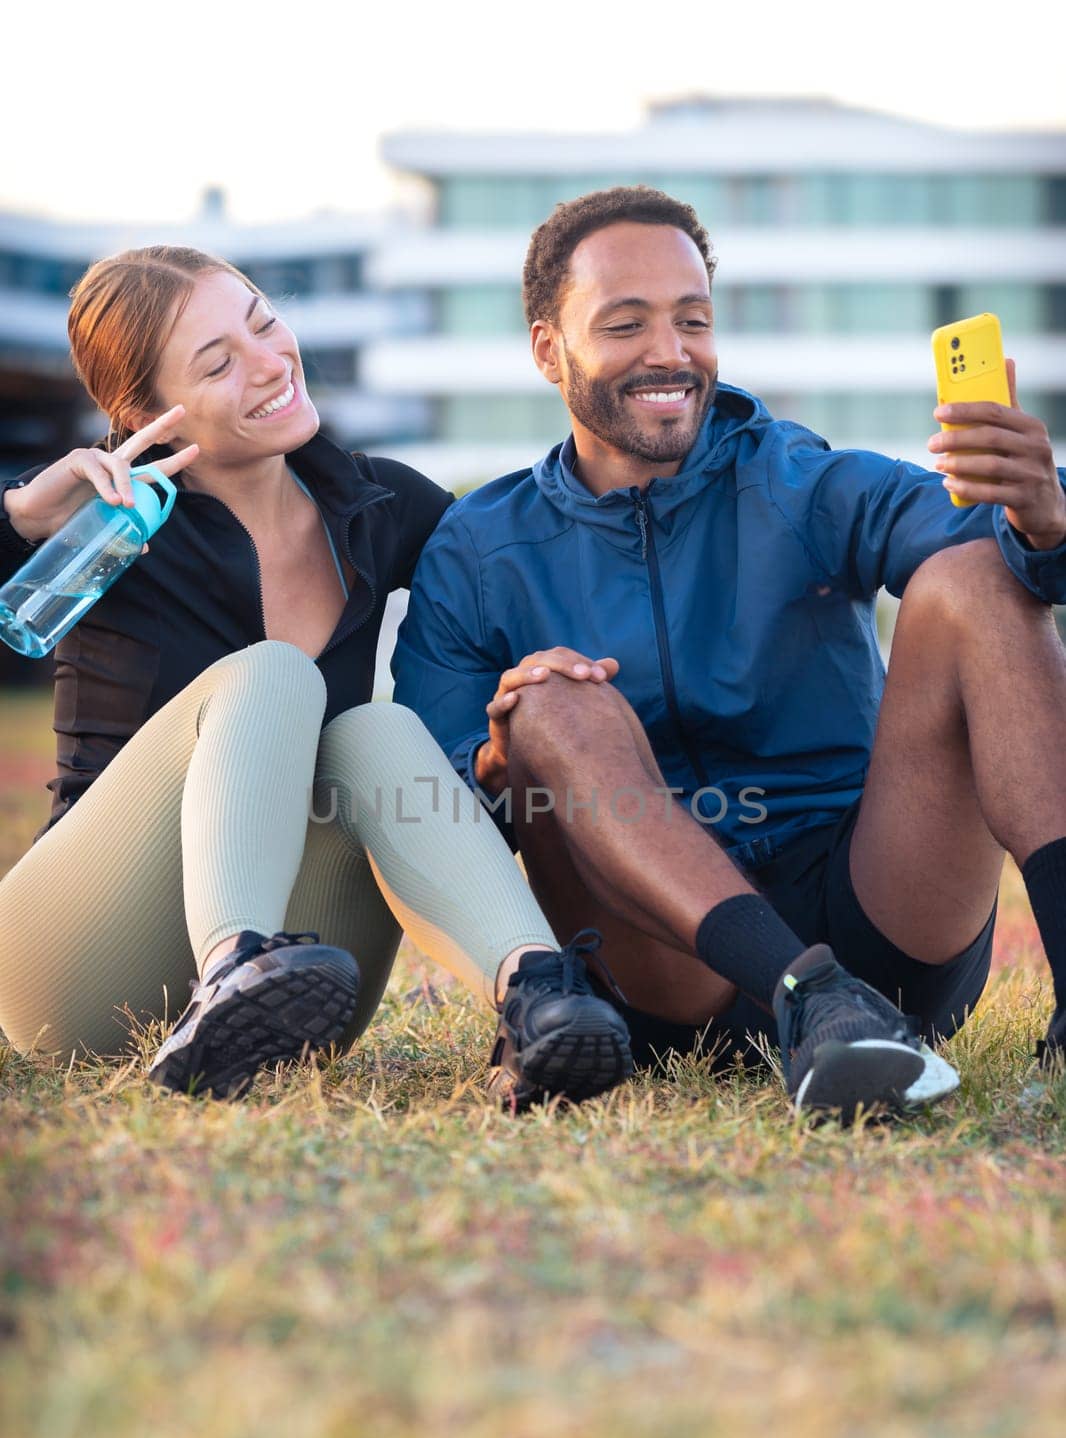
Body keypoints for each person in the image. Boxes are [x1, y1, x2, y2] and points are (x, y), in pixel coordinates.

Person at [393, 186, 1066, 1124]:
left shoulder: (798, 476)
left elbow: (986, 540)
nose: (670, 352)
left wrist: (1041, 514)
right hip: (672, 965)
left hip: (878, 916)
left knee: (977, 573)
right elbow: (434, 796)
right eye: (626, 323)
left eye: (693, 320)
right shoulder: (477, 547)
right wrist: (512, 752)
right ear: (550, 350)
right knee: (548, 700)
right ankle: (807, 999)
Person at [0, 245, 633, 1107]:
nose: (268, 363)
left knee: (376, 730)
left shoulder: (386, 507)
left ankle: (535, 997)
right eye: (219, 363)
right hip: (73, 964)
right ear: (150, 413)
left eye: (264, 323)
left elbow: (520, 616)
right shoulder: (110, 526)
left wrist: (548, 669)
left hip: (305, 970)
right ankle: (233, 966)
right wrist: (20, 517)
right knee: (272, 676)